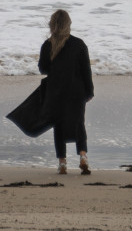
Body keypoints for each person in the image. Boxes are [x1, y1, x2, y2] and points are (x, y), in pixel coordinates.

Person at [38, 10, 94, 175]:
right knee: (79, 123)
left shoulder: (48, 44)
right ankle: (83, 157)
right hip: (77, 90)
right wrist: (89, 91)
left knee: (59, 125)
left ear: (52, 24)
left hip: (55, 90)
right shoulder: (79, 44)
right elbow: (86, 71)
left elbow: (43, 68)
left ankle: (62, 163)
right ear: (68, 24)